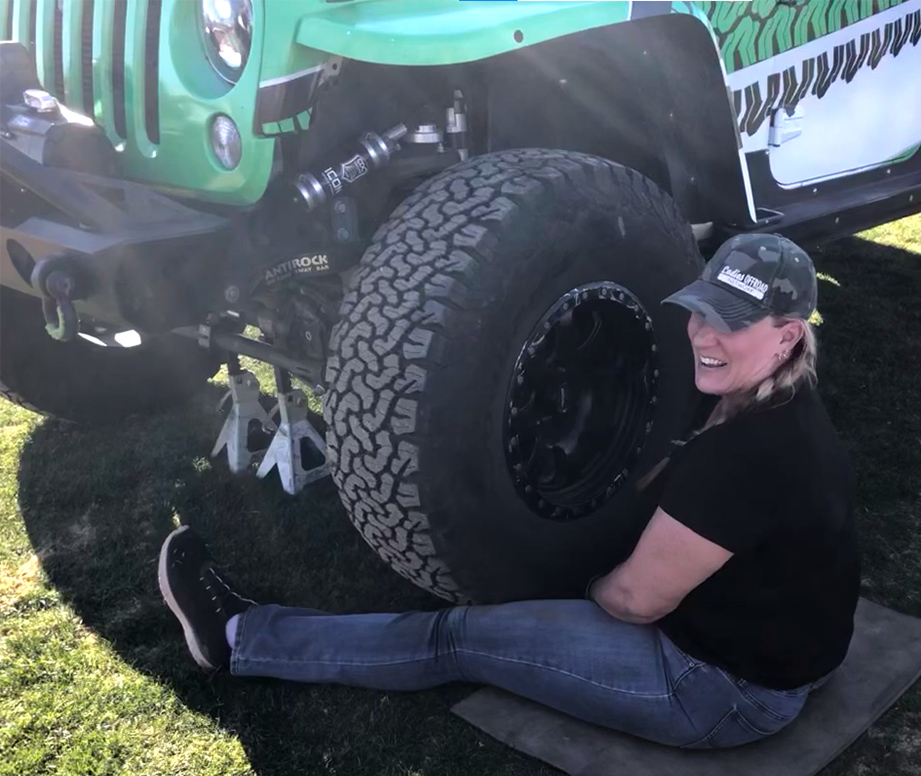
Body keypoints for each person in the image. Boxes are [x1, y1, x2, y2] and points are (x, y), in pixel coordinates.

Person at [158, 233, 860, 750]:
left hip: (720, 692)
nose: (702, 333)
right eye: (703, 310)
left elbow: (633, 601)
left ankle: (238, 637)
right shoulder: (781, 399)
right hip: (789, 654)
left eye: (731, 322)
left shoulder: (747, 454)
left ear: (787, 337)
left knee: (455, 637)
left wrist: (584, 590)